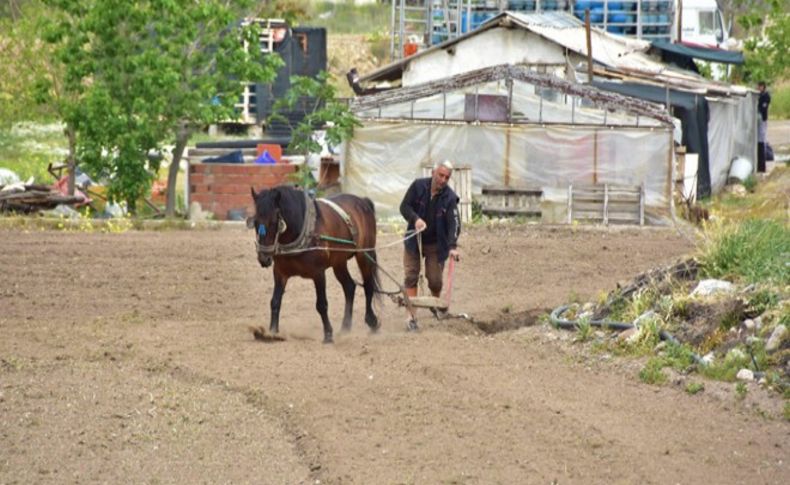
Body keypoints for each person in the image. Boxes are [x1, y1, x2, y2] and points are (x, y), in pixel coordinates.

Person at [400, 160, 461, 324]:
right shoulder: (418, 187)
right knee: (411, 276)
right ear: (434, 173)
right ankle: (411, 316)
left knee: (435, 280)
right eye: (441, 175)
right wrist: (416, 219)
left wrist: (452, 246)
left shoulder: (450, 198)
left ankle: (435, 305)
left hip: (436, 244)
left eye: (446, 177)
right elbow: (404, 207)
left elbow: (454, 223)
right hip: (414, 239)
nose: (443, 180)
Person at [757, 81, 771, 173]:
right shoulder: (760, 95)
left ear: (763, 86)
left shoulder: (765, 96)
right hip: (761, 119)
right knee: (760, 139)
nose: (758, 88)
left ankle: (762, 166)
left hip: (762, 119)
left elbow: (763, 107)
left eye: (759, 86)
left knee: (761, 140)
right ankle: (761, 166)